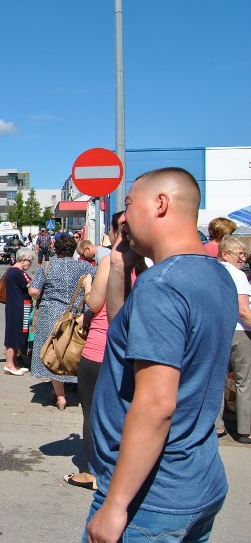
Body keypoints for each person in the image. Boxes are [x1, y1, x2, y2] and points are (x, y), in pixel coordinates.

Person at [85, 168, 236, 542]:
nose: (123, 221)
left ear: (160, 204)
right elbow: (130, 337)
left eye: (130, 206)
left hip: (150, 498)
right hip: (196, 480)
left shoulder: (163, 286)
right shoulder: (215, 275)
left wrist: (116, 504)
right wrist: (121, 265)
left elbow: (156, 404)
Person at [64, 212, 123, 492]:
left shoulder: (111, 261)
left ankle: (90, 471)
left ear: (112, 233)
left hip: (100, 346)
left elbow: (96, 302)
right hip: (129, 349)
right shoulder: (151, 263)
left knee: (92, 411)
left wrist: (88, 288)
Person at [28, 234, 95, 410]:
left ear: (55, 249)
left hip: (50, 313)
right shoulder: (84, 266)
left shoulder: (47, 266)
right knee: (73, 349)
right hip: (76, 315)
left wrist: (45, 296)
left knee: (53, 351)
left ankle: (60, 395)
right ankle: (76, 386)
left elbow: (34, 290)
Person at [214, 235, 251, 443]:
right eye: (240, 254)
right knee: (244, 380)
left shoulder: (213, 272)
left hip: (217, 330)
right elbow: (244, 311)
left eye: (245, 254)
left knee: (217, 379)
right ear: (226, 253)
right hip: (240, 331)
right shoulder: (238, 275)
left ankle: (216, 426)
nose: (243, 258)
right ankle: (246, 429)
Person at [2, 248, 35, 375]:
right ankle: (9, 364)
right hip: (18, 307)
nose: (30, 264)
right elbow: (31, 286)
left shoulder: (13, 271)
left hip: (17, 306)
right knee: (13, 335)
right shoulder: (18, 272)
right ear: (23, 259)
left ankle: (14, 363)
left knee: (17, 334)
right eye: (30, 261)